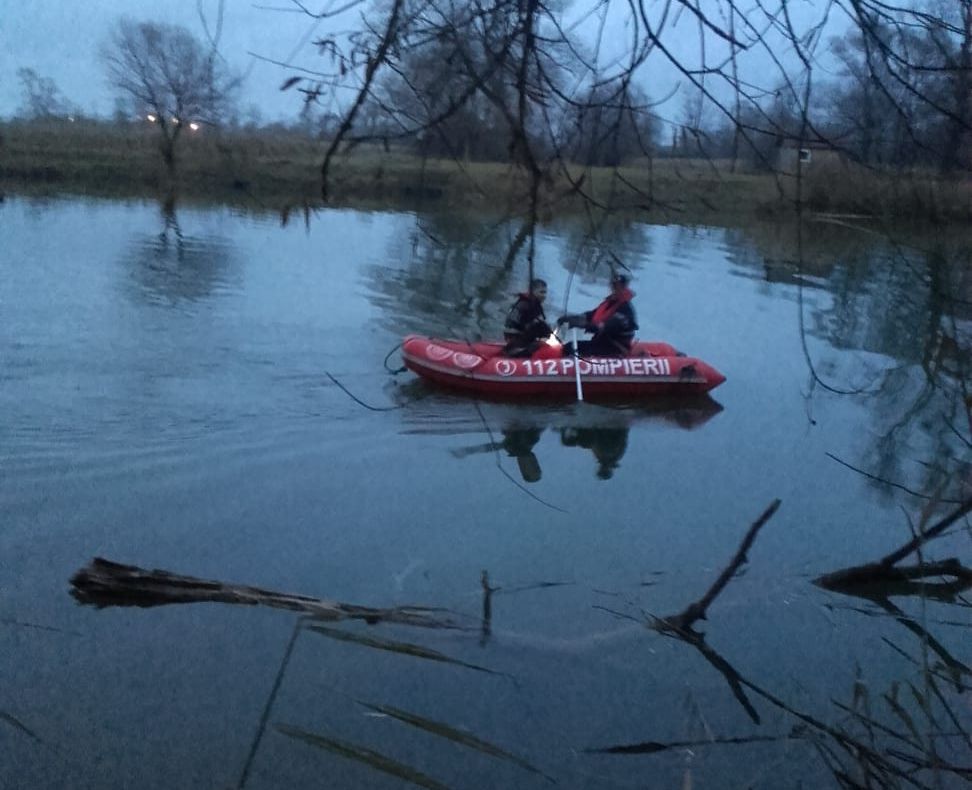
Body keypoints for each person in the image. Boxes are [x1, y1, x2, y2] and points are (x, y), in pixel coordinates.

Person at [556, 272, 638, 357]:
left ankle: (570, 367)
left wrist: (582, 324)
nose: (615, 289)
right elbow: (591, 315)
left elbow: (605, 326)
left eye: (619, 286)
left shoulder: (625, 309)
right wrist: (572, 319)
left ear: (625, 287)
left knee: (571, 349)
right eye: (613, 286)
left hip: (614, 349)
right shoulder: (609, 304)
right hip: (601, 344)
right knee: (570, 346)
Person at [503, 278, 552, 357]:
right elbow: (531, 326)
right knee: (542, 345)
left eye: (545, 293)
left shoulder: (529, 303)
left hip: (517, 336)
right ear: (533, 291)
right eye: (541, 292)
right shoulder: (527, 305)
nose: (544, 296)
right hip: (517, 339)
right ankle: (517, 353)